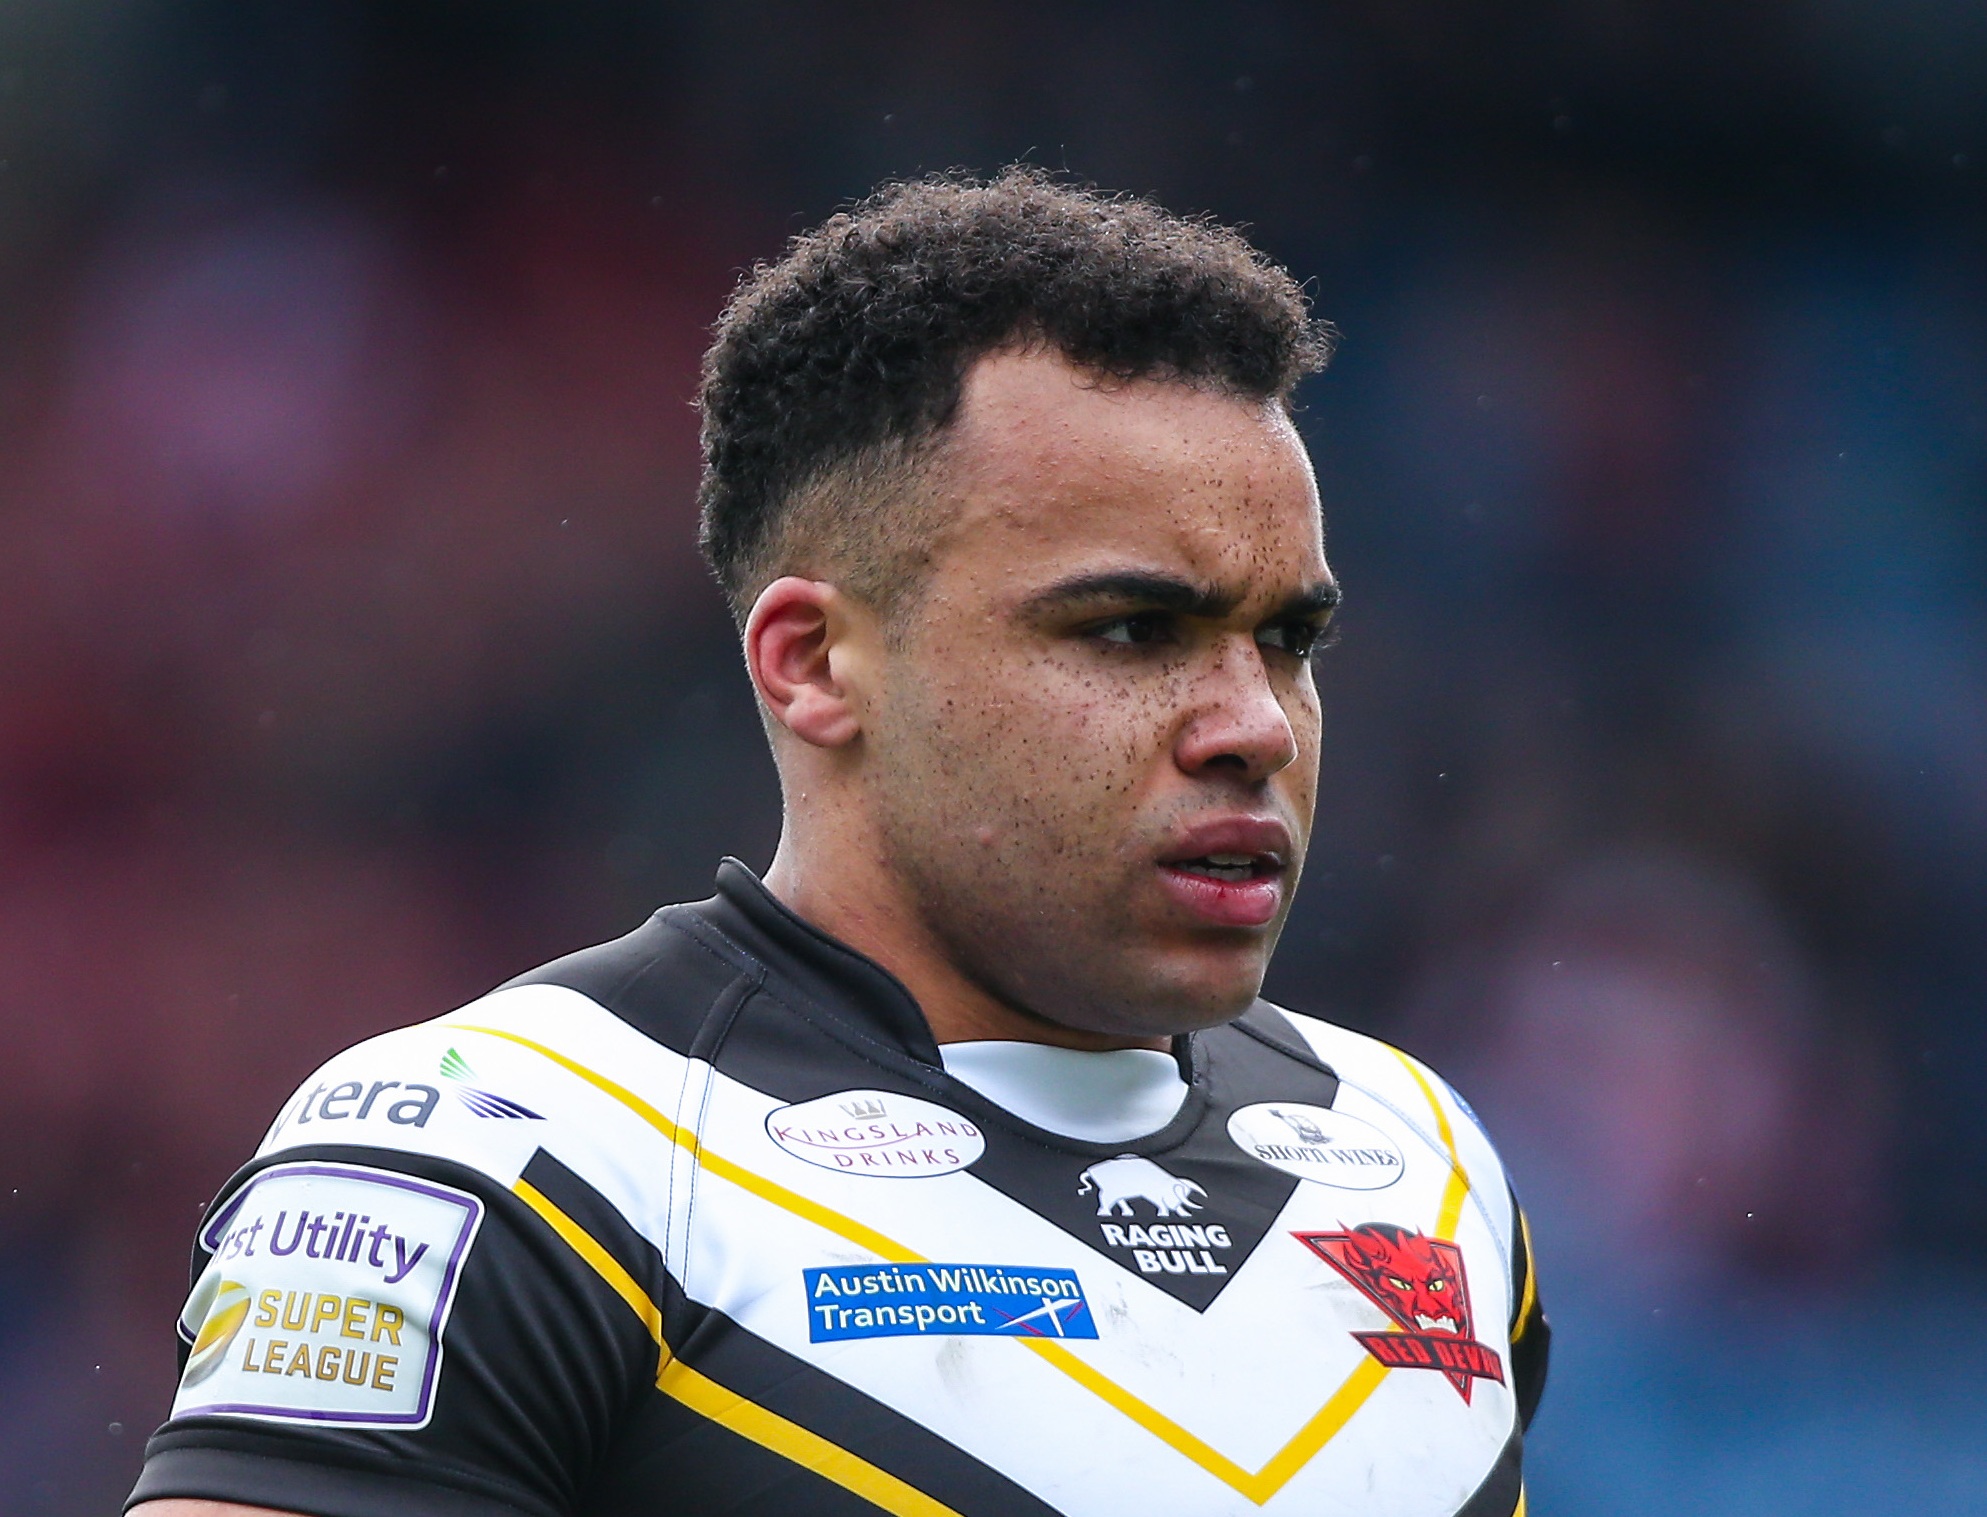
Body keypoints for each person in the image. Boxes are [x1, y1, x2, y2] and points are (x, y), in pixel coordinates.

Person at [128, 168, 1546, 1517]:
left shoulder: (1418, 1154)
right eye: (1132, 630)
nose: (1255, 724)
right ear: (812, 662)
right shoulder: (514, 1157)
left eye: (1288, 640)